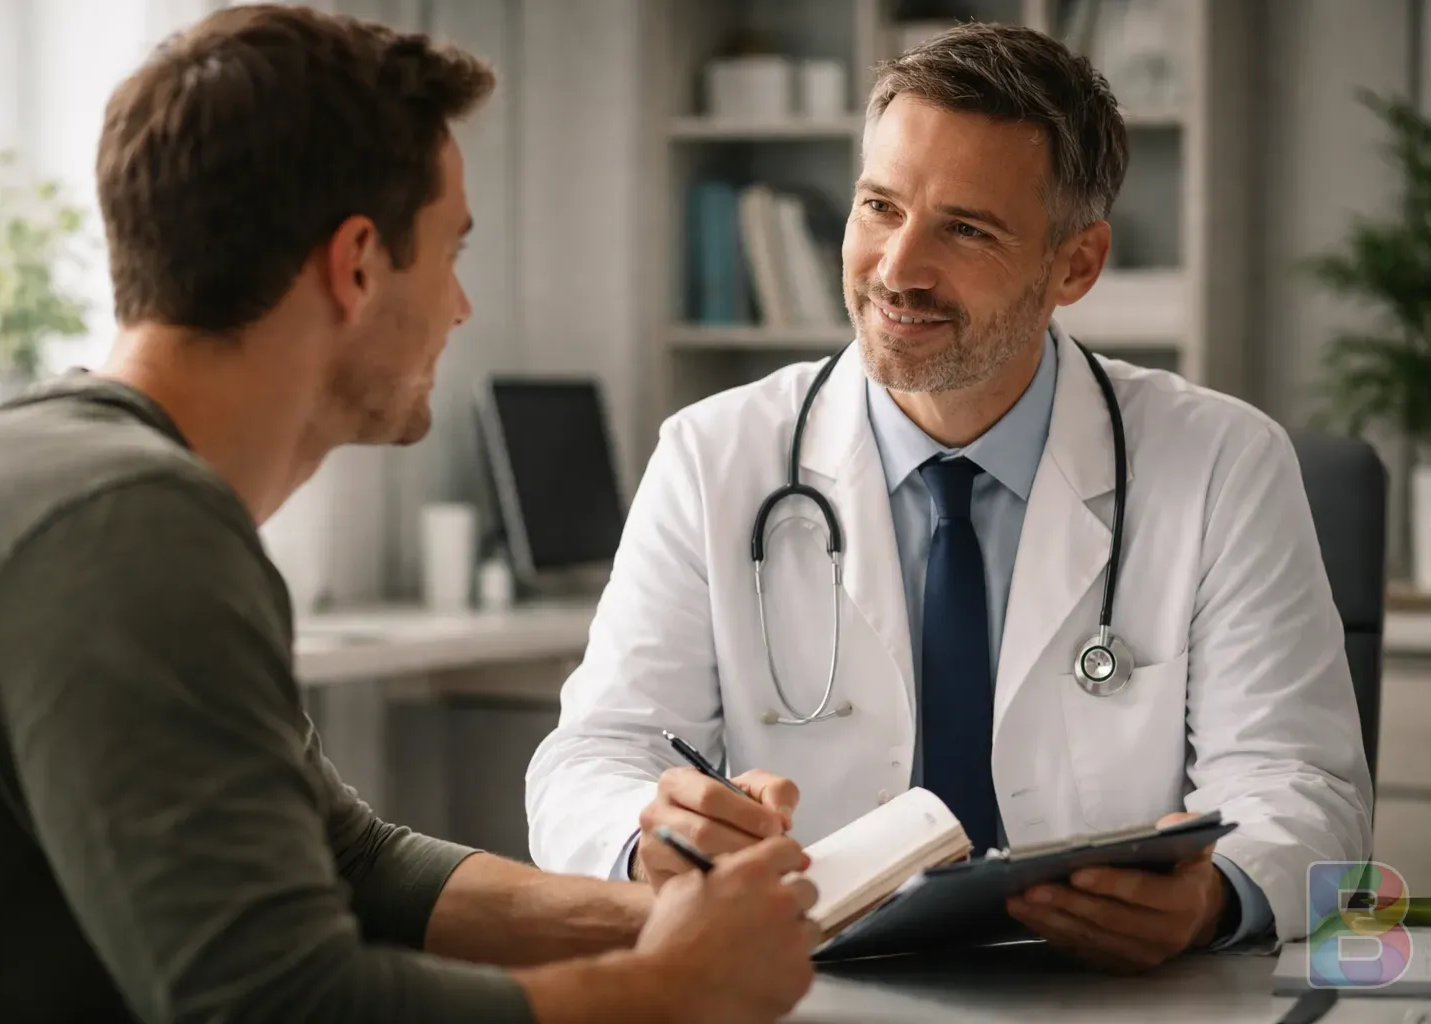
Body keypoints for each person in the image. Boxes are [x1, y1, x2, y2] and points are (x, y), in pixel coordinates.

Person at [0, 6, 822, 1023]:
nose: (460, 307)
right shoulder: (127, 532)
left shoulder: (51, 472)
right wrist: (668, 987)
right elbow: (281, 1003)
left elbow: (354, 861)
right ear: (355, 264)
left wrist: (668, 916)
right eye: (451, 253)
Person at [525, 21, 1373, 971]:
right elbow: (594, 756)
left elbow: (1304, 786)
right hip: (810, 988)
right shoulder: (712, 456)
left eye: (965, 228)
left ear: (1076, 265)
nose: (898, 269)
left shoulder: (1223, 463)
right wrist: (651, 835)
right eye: (881, 206)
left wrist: (1216, 896)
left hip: (1111, 997)